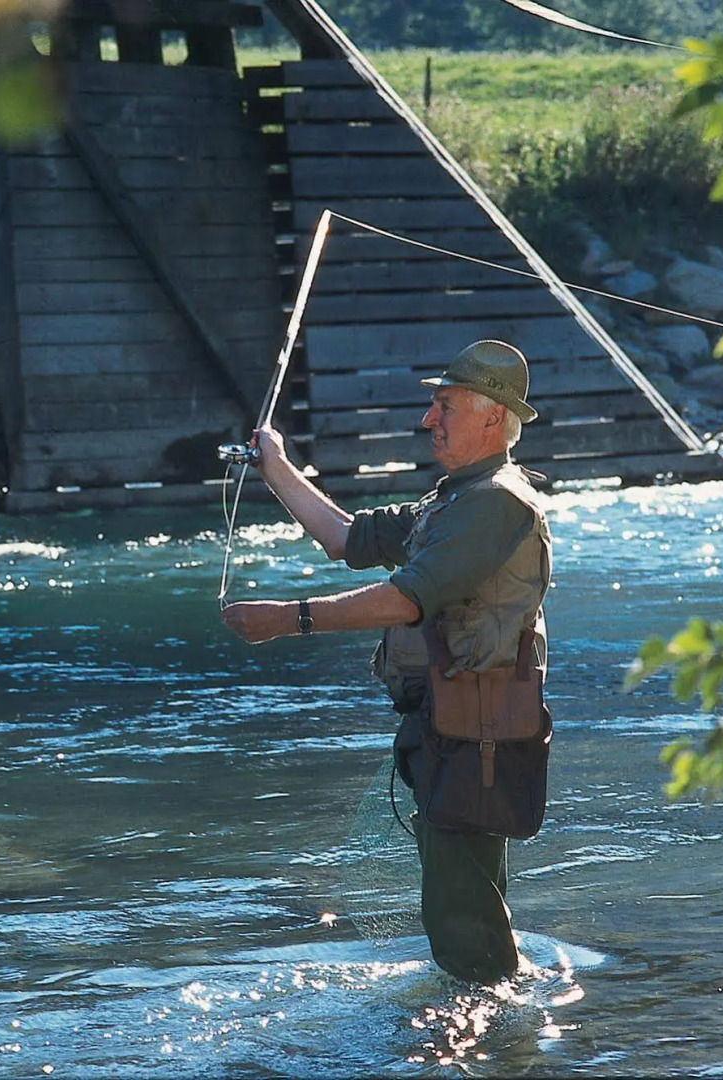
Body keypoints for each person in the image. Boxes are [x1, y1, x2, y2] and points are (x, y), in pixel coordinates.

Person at [221, 339, 553, 984]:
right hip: (452, 726)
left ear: (493, 417)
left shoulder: (497, 502)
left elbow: (406, 598)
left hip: (478, 733)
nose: (429, 419)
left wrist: (287, 619)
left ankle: (488, 1022)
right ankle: (485, 1008)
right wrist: (275, 468)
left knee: (462, 912)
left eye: (445, 405)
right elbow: (346, 538)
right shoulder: (456, 498)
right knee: (461, 897)